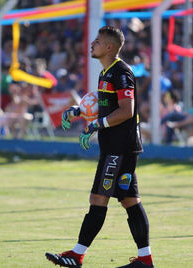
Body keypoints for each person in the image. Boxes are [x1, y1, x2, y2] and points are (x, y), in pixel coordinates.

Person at [45, 26, 154, 268]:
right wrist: (78, 111)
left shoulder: (121, 72)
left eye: (97, 41)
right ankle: (145, 260)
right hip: (120, 146)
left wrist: (95, 125)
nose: (91, 44)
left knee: (98, 197)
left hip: (119, 147)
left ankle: (76, 255)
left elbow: (127, 110)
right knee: (130, 200)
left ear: (110, 47)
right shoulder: (106, 72)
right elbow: (104, 101)